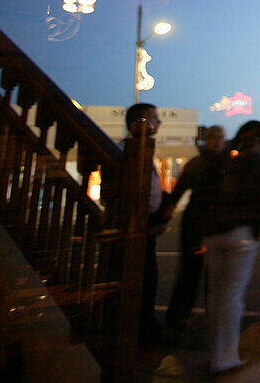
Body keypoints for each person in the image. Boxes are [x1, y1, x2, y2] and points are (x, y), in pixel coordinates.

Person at [199, 120, 260, 375]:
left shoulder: (218, 161)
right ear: (258, 140)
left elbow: (203, 192)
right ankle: (226, 357)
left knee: (215, 294)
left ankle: (215, 354)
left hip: (212, 231)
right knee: (232, 295)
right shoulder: (257, 161)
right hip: (241, 232)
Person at [102, 103, 171, 345]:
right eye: (155, 118)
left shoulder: (142, 151)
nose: (159, 123)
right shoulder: (129, 152)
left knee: (147, 279)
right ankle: (136, 334)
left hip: (145, 227)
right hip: (133, 229)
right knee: (139, 281)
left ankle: (143, 328)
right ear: (140, 123)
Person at [164, 124, 226, 331]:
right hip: (197, 226)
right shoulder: (199, 164)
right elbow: (179, 191)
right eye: (213, 138)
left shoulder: (218, 164)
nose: (217, 141)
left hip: (213, 225)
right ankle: (179, 317)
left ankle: (204, 317)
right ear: (207, 140)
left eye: (220, 137)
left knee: (212, 277)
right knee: (190, 275)